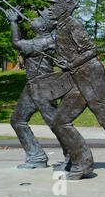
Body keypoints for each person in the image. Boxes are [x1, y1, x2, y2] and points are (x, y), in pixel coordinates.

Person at [46, 0, 105, 181]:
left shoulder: (73, 24)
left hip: (91, 76)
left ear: (64, 8)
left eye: (54, 5)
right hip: (77, 79)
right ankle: (82, 163)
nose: (50, 8)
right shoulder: (60, 27)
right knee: (59, 122)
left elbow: (91, 50)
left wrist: (72, 63)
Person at [4, 9, 71, 169]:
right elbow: (21, 44)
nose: (33, 18)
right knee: (17, 120)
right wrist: (16, 23)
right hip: (32, 87)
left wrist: (13, 23)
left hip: (43, 87)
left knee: (56, 123)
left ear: (42, 28)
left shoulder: (43, 42)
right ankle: (36, 157)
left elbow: (17, 43)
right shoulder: (44, 40)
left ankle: (73, 157)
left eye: (39, 18)